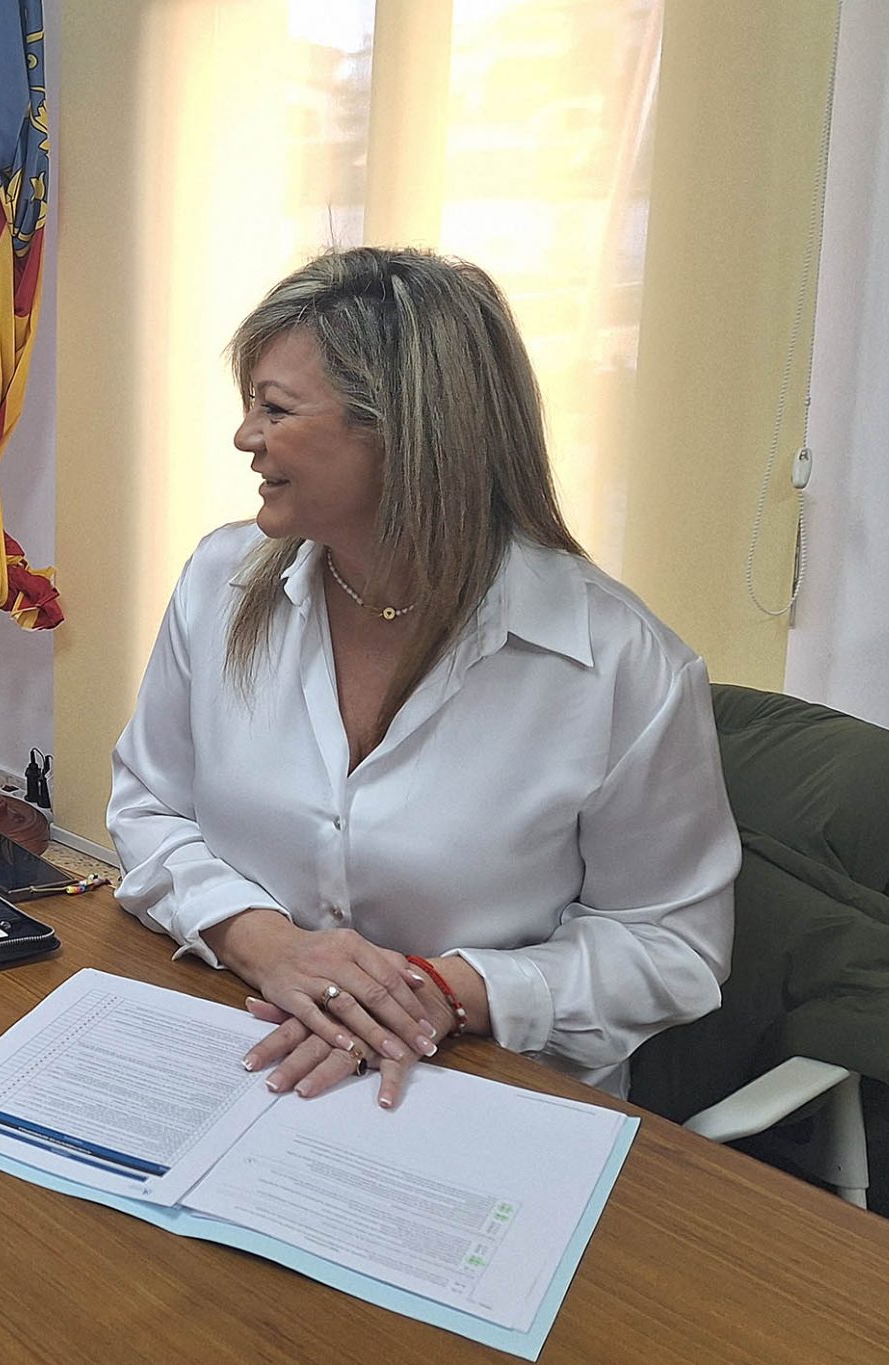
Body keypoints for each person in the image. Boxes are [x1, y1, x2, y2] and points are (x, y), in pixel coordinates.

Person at [107, 246, 738, 1105]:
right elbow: (148, 806)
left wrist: (449, 991)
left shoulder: (622, 666)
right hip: (242, 1038)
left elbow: (672, 946)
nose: (245, 436)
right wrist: (267, 943)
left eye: (275, 408)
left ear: (403, 435)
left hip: (482, 1089)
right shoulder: (220, 583)